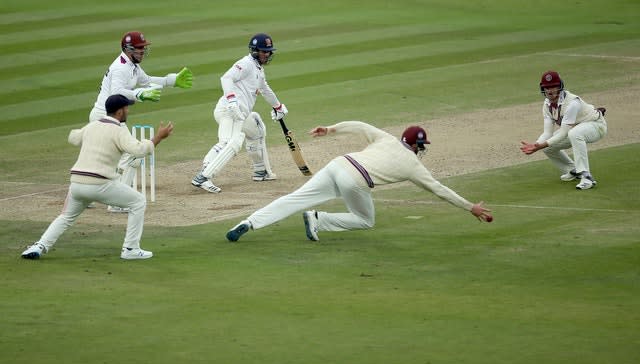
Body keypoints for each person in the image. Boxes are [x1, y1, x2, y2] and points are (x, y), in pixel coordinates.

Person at [226, 121, 492, 242]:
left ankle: (248, 222)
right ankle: (318, 219)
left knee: (292, 199)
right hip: (355, 179)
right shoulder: (413, 165)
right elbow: (439, 190)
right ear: (416, 145)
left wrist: (329, 130)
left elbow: (360, 125)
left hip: (338, 164)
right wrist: (471, 207)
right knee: (366, 220)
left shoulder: (387, 138)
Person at [21, 94, 174, 260]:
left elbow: (73, 137)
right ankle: (131, 249)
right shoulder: (119, 131)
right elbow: (138, 150)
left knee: (66, 217)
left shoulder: (92, 125)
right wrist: (158, 137)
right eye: (126, 108)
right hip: (100, 184)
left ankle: (39, 246)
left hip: (77, 183)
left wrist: (90, 135)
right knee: (138, 202)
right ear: (120, 111)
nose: (128, 111)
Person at [90, 31, 192, 211]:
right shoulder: (121, 68)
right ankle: (116, 202)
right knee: (132, 155)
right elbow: (116, 93)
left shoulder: (132, 66)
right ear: (128, 49)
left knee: (106, 159)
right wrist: (139, 94)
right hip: (106, 117)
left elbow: (147, 82)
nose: (143, 52)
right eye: (139, 49)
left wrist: (171, 80)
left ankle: (86, 195)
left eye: (144, 48)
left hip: (110, 117)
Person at [191, 33, 288, 193]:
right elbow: (226, 78)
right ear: (255, 50)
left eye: (269, 51)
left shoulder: (258, 70)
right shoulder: (246, 64)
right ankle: (203, 176)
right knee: (230, 143)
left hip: (241, 114)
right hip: (229, 110)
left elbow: (265, 90)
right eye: (264, 51)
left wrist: (278, 107)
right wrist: (232, 100)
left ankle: (261, 171)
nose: (267, 54)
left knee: (257, 129)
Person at [520, 70, 607, 190]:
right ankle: (573, 170)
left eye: (553, 87)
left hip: (596, 126)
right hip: (576, 129)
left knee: (574, 133)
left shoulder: (572, 103)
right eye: (547, 87)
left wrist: (540, 146)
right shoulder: (546, 105)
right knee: (549, 147)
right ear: (543, 89)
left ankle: (587, 177)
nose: (550, 90)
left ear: (560, 86)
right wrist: (537, 144)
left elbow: (563, 132)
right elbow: (547, 133)